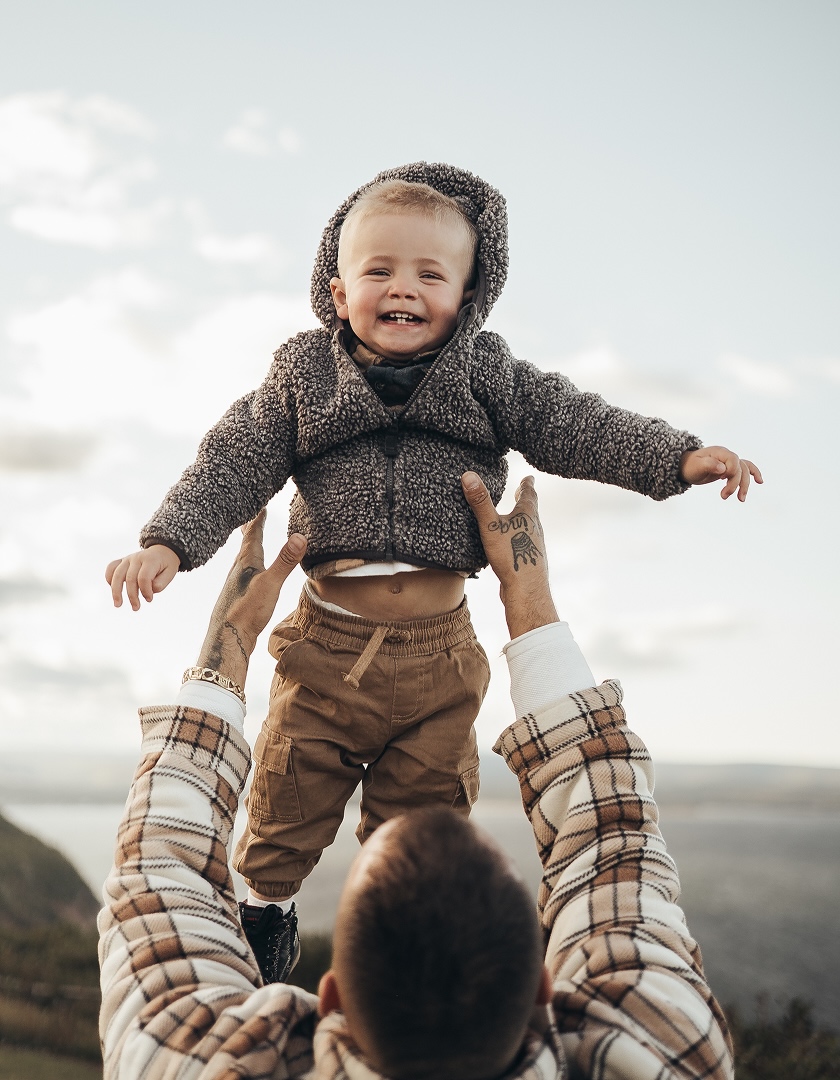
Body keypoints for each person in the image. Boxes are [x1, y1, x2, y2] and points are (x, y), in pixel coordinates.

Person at [105, 163, 761, 982]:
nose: (403, 288)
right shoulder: (303, 379)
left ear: (467, 294)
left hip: (441, 654)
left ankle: (398, 966)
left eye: (429, 273)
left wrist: (677, 456)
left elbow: (575, 423)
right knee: (283, 802)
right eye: (378, 270)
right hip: (324, 647)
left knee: (420, 823)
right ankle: (266, 915)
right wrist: (169, 541)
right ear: (338, 293)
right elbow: (234, 457)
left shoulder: (487, 375)